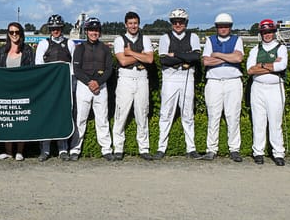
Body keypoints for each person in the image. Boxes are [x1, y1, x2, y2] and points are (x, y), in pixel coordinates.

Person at [153, 8, 202, 160]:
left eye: (181, 22)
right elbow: (163, 60)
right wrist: (185, 57)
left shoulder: (193, 36)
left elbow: (195, 57)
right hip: (170, 77)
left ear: (186, 23)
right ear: (172, 23)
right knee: (166, 112)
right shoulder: (165, 38)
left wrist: (175, 55)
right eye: (175, 22)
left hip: (187, 76)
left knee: (188, 113)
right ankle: (161, 148)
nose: (178, 24)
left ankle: (191, 148)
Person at [69, 17, 114, 161]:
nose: (94, 33)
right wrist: (90, 82)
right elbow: (76, 69)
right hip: (84, 86)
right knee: (80, 119)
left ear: (99, 32)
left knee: (102, 119)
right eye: (91, 30)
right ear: (86, 31)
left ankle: (106, 150)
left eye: (96, 30)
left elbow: (109, 69)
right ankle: (75, 149)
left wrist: (98, 82)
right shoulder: (80, 48)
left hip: (101, 86)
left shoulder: (105, 48)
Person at [201, 13, 244, 162]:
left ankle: (234, 149)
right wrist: (228, 57)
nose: (223, 28)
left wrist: (217, 54)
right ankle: (211, 149)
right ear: (217, 27)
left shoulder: (237, 39)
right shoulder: (210, 40)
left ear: (230, 27)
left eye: (226, 26)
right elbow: (206, 61)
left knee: (233, 116)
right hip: (214, 81)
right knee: (214, 115)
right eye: (221, 26)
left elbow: (238, 58)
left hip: (233, 81)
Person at [112, 11, 154, 161]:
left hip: (142, 77)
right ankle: (118, 148)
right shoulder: (119, 39)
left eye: (135, 23)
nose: (133, 26)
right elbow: (122, 62)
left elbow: (149, 59)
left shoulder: (146, 39)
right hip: (126, 78)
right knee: (121, 113)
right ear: (126, 25)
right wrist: (139, 55)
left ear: (138, 23)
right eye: (130, 23)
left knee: (142, 113)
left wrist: (130, 53)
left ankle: (144, 148)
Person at [246, 19, 288, 166]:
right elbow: (250, 70)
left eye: (270, 31)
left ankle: (278, 153)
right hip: (258, 87)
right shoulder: (255, 49)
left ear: (274, 32)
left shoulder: (281, 48)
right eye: (264, 32)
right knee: (258, 121)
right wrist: (271, 65)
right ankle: (258, 152)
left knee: (275, 122)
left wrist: (261, 65)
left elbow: (281, 66)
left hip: (275, 87)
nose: (267, 35)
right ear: (261, 33)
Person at [35, 14, 76, 161]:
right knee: (46, 117)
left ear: (61, 28)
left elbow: (73, 68)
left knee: (63, 117)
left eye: (58, 28)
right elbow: (39, 66)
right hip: (48, 88)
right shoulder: (43, 44)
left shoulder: (70, 44)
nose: (55, 30)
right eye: (53, 28)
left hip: (64, 87)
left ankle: (63, 149)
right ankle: (45, 150)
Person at [0, 22, 35, 161]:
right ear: (8, 34)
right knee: (7, 121)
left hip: (22, 91)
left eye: (16, 32)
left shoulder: (28, 50)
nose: (14, 35)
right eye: (11, 32)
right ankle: (8, 152)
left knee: (20, 121)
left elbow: (31, 70)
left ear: (21, 33)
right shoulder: (1, 51)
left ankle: (20, 151)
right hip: (6, 91)